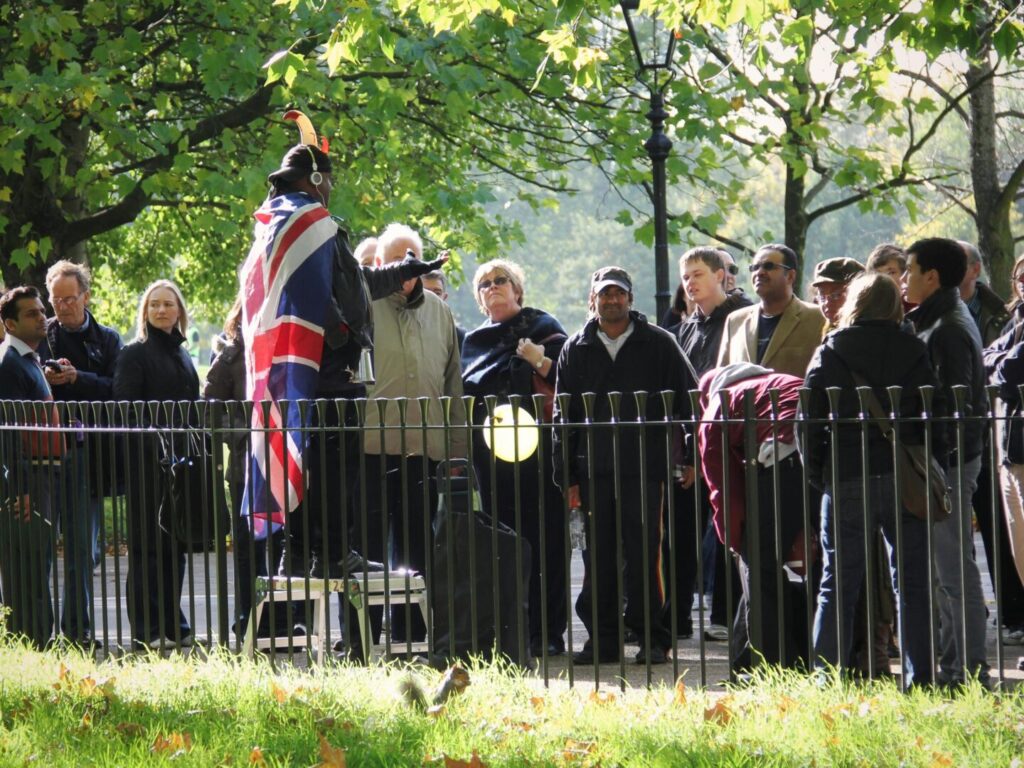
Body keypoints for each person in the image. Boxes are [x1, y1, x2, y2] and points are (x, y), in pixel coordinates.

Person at [239, 113, 445, 590]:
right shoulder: (310, 219)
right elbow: (315, 298)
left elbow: (352, 281)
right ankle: (329, 553)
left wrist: (406, 271)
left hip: (318, 371)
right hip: (333, 371)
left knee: (316, 464)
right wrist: (343, 334)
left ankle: (309, 551)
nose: (331, 186)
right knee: (334, 469)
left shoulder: (284, 221)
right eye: (327, 177)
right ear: (315, 178)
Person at [802, 273, 942, 687]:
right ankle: (920, 679)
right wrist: (933, 460)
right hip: (903, 476)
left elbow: (807, 419)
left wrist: (818, 473)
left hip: (846, 473)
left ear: (854, 304)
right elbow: (932, 411)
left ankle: (826, 676)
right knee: (913, 583)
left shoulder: (832, 349)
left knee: (838, 583)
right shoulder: (913, 347)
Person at [553, 266, 690, 666]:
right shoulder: (574, 348)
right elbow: (565, 417)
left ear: (631, 298)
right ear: (592, 300)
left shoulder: (659, 343)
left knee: (647, 555)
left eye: (619, 293)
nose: (612, 300)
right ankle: (604, 640)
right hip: (592, 470)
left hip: (645, 468)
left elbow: (686, 401)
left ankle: (652, 638)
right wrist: (568, 477)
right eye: (604, 294)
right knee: (599, 559)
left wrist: (689, 459)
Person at [350, 224, 466, 657]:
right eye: (395, 260)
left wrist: (456, 451)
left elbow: (453, 384)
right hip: (369, 450)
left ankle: (411, 638)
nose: (405, 268)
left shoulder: (440, 312)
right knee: (366, 549)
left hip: (425, 451)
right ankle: (360, 639)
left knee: (418, 549)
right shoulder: (359, 307)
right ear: (378, 265)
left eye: (412, 258)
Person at [461, 258, 569, 660]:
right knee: (501, 540)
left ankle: (548, 630)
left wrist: (536, 359)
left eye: (500, 280)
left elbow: (568, 379)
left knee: (545, 539)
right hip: (490, 456)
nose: (493, 287)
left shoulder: (543, 326)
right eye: (484, 284)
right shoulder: (473, 342)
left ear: (518, 288)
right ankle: (510, 627)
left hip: (539, 454)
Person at [902, 236, 990, 687]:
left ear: (931, 277)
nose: (902, 279)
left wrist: (939, 461)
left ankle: (969, 673)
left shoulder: (949, 328)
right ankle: (957, 667)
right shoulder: (937, 320)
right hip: (946, 460)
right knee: (944, 573)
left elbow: (956, 408)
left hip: (950, 463)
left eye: (909, 270)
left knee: (953, 571)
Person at [696, 364, 813, 671]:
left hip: (783, 459)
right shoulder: (784, 380)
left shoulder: (719, 405)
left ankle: (774, 664)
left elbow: (724, 488)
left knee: (759, 564)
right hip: (826, 453)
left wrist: (735, 540)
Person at [667, 247, 752, 643]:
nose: (690, 282)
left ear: (722, 275)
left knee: (729, 531)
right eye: (685, 276)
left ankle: (726, 616)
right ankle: (677, 616)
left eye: (697, 274)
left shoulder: (743, 318)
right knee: (682, 533)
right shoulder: (683, 328)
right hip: (691, 443)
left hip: (730, 440)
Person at [37, 260, 123, 650]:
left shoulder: (107, 340)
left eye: (69, 299)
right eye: (55, 300)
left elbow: (117, 388)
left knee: (83, 551)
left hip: (87, 453)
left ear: (86, 296)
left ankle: (77, 630)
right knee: (40, 545)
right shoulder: (41, 336)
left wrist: (77, 378)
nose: (62, 307)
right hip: (43, 453)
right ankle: (39, 631)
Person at [113, 279, 198, 650]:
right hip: (147, 464)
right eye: (154, 305)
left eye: (168, 304)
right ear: (145, 312)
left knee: (174, 545)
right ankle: (145, 631)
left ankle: (172, 620)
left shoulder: (183, 353)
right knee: (148, 547)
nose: (161, 310)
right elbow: (126, 408)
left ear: (179, 310)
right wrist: (156, 448)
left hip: (181, 463)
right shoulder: (135, 352)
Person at [0, 286, 63, 648]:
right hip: (27, 481)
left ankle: (39, 639)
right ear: (9, 323)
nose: (42, 317)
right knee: (26, 570)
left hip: (44, 475)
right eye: (31, 314)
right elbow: (8, 434)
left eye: (42, 311)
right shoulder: (9, 363)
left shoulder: (31, 359)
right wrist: (18, 489)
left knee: (38, 565)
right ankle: (29, 642)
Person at [982, 253, 1024, 649]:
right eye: (1020, 277)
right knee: (1019, 546)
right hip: (1011, 449)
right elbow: (989, 359)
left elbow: (1010, 371)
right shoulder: (1016, 321)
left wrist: (998, 364)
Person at [717, 243, 826, 377]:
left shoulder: (818, 318)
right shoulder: (735, 321)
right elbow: (721, 378)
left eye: (768, 266)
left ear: (790, 276)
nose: (760, 272)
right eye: (755, 267)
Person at [809, 257, 864, 331]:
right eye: (822, 296)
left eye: (836, 295)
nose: (827, 303)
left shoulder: (865, 331)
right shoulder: (820, 328)